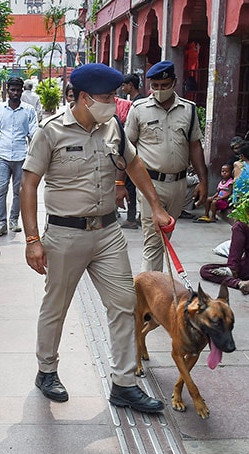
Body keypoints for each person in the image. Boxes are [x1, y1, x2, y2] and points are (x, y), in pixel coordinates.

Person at [20, 63, 170, 413]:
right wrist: (32, 240)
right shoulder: (50, 132)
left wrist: (156, 205)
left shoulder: (113, 127)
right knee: (56, 306)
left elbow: (133, 165)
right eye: (107, 97)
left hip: (108, 233)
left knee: (124, 305)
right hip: (64, 235)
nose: (113, 101)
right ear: (85, 98)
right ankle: (47, 371)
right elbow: (28, 183)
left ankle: (124, 384)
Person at [124, 60, 208, 272]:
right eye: (155, 86)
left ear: (174, 83)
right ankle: (149, 294)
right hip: (150, 183)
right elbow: (125, 148)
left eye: (165, 85)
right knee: (153, 243)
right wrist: (119, 182)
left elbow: (195, 146)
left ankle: (156, 286)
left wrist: (204, 181)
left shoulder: (188, 110)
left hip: (179, 185)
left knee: (164, 239)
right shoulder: (139, 109)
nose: (159, 91)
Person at [0, 77, 38, 237]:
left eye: (18, 90)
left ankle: (13, 220)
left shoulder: (29, 110)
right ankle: (1, 223)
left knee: (19, 191)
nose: (15, 93)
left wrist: (36, 156)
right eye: (12, 90)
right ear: (7, 91)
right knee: (1, 189)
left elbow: (33, 134)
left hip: (21, 156)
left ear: (22, 90)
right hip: (3, 155)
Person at [120, 73, 145, 230]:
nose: (123, 88)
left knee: (131, 185)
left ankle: (132, 217)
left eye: (124, 85)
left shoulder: (137, 104)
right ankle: (139, 215)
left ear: (130, 85)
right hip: (137, 150)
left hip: (135, 151)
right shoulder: (136, 102)